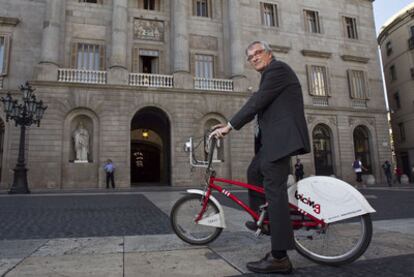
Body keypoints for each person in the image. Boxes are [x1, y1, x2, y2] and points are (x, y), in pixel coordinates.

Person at [210, 41, 310, 274]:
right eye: (250, 56)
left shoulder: (277, 70)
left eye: (258, 53)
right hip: (273, 142)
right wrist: (230, 123)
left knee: (274, 192)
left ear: (269, 53)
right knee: (253, 172)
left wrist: (230, 126)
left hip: (281, 140)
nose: (254, 58)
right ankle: (264, 222)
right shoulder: (269, 74)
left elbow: (256, 102)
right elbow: (261, 104)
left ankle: (279, 257)